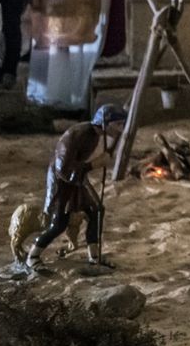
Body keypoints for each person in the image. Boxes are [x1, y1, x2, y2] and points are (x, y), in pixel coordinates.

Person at [22, 103, 127, 272]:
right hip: (62, 181)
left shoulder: (103, 136)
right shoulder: (76, 135)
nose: (121, 129)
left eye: (122, 124)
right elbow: (63, 168)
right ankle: (33, 256)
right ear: (104, 123)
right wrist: (94, 164)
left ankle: (94, 256)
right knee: (59, 223)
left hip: (78, 180)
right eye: (118, 125)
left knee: (96, 210)